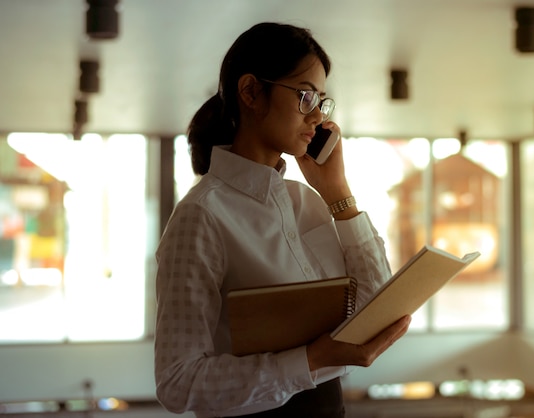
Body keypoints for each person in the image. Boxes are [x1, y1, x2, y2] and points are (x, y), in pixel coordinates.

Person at [154, 22, 411, 418]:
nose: (316, 118)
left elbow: (374, 308)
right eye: (305, 97)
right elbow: (178, 381)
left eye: (322, 102)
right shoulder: (201, 214)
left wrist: (338, 193)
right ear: (251, 92)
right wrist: (308, 360)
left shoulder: (307, 201)